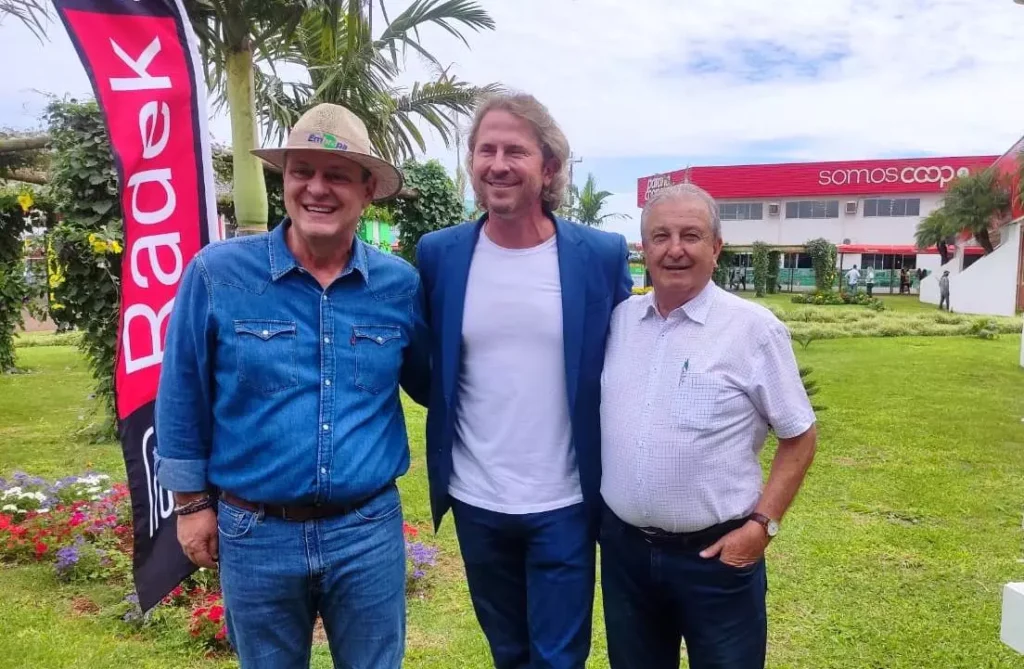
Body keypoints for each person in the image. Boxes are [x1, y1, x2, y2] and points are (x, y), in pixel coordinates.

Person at [154, 103, 430, 669]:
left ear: (368, 189)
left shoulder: (399, 286)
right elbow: (183, 393)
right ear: (285, 180)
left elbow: (436, 383)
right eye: (303, 171)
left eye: (337, 174)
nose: (317, 188)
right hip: (256, 533)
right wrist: (189, 505)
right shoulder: (218, 274)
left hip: (367, 531)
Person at [416, 92, 632, 669]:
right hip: (477, 497)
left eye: (516, 150)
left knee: (559, 658)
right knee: (507, 651)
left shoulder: (599, 255)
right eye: (486, 149)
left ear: (550, 167)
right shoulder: (439, 254)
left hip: (565, 499)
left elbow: (633, 356)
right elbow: (425, 369)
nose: (498, 163)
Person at [599, 183, 818, 669]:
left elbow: (800, 436)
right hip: (626, 557)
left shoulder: (753, 330)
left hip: (717, 560)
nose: (674, 249)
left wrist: (762, 526)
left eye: (691, 235)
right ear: (644, 248)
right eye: (660, 236)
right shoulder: (619, 322)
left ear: (716, 249)